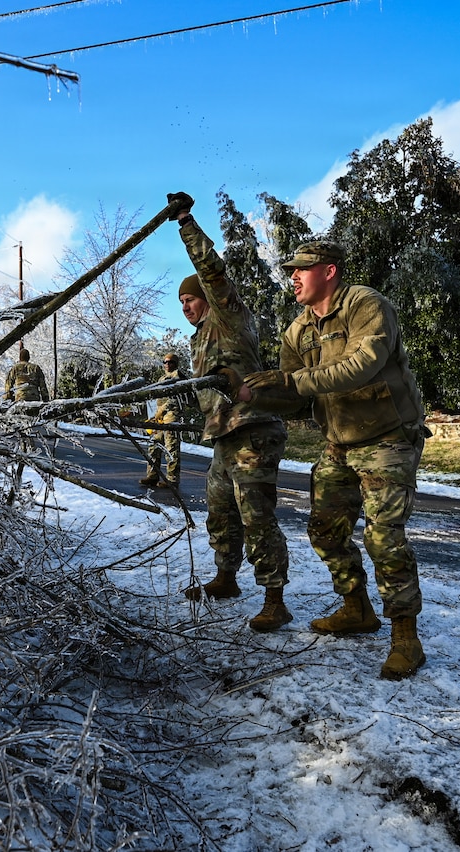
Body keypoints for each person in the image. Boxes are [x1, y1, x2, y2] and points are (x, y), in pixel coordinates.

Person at [238, 240, 429, 679]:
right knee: (325, 531)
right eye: (291, 270)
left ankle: (406, 639)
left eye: (302, 269)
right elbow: (293, 398)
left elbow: (361, 365)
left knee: (383, 538)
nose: (293, 277)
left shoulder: (366, 305)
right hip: (339, 443)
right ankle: (357, 609)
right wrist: (251, 393)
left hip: (388, 438)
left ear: (330, 271)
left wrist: (290, 379)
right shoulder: (297, 331)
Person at [164, 190, 292, 633]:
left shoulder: (228, 317)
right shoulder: (199, 337)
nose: (187, 307)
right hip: (223, 436)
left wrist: (185, 223)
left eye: (191, 300)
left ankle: (275, 598)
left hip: (253, 430)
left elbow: (211, 271)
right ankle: (226, 578)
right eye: (181, 303)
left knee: (256, 514)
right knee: (220, 509)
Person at [138, 352, 188, 489]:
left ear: (175, 363)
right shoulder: (163, 378)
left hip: (173, 417)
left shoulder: (178, 377)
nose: (167, 364)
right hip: (160, 418)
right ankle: (152, 475)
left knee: (171, 449)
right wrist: (156, 414)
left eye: (170, 362)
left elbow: (175, 399)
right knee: (153, 445)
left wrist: (162, 410)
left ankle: (172, 479)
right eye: (165, 362)